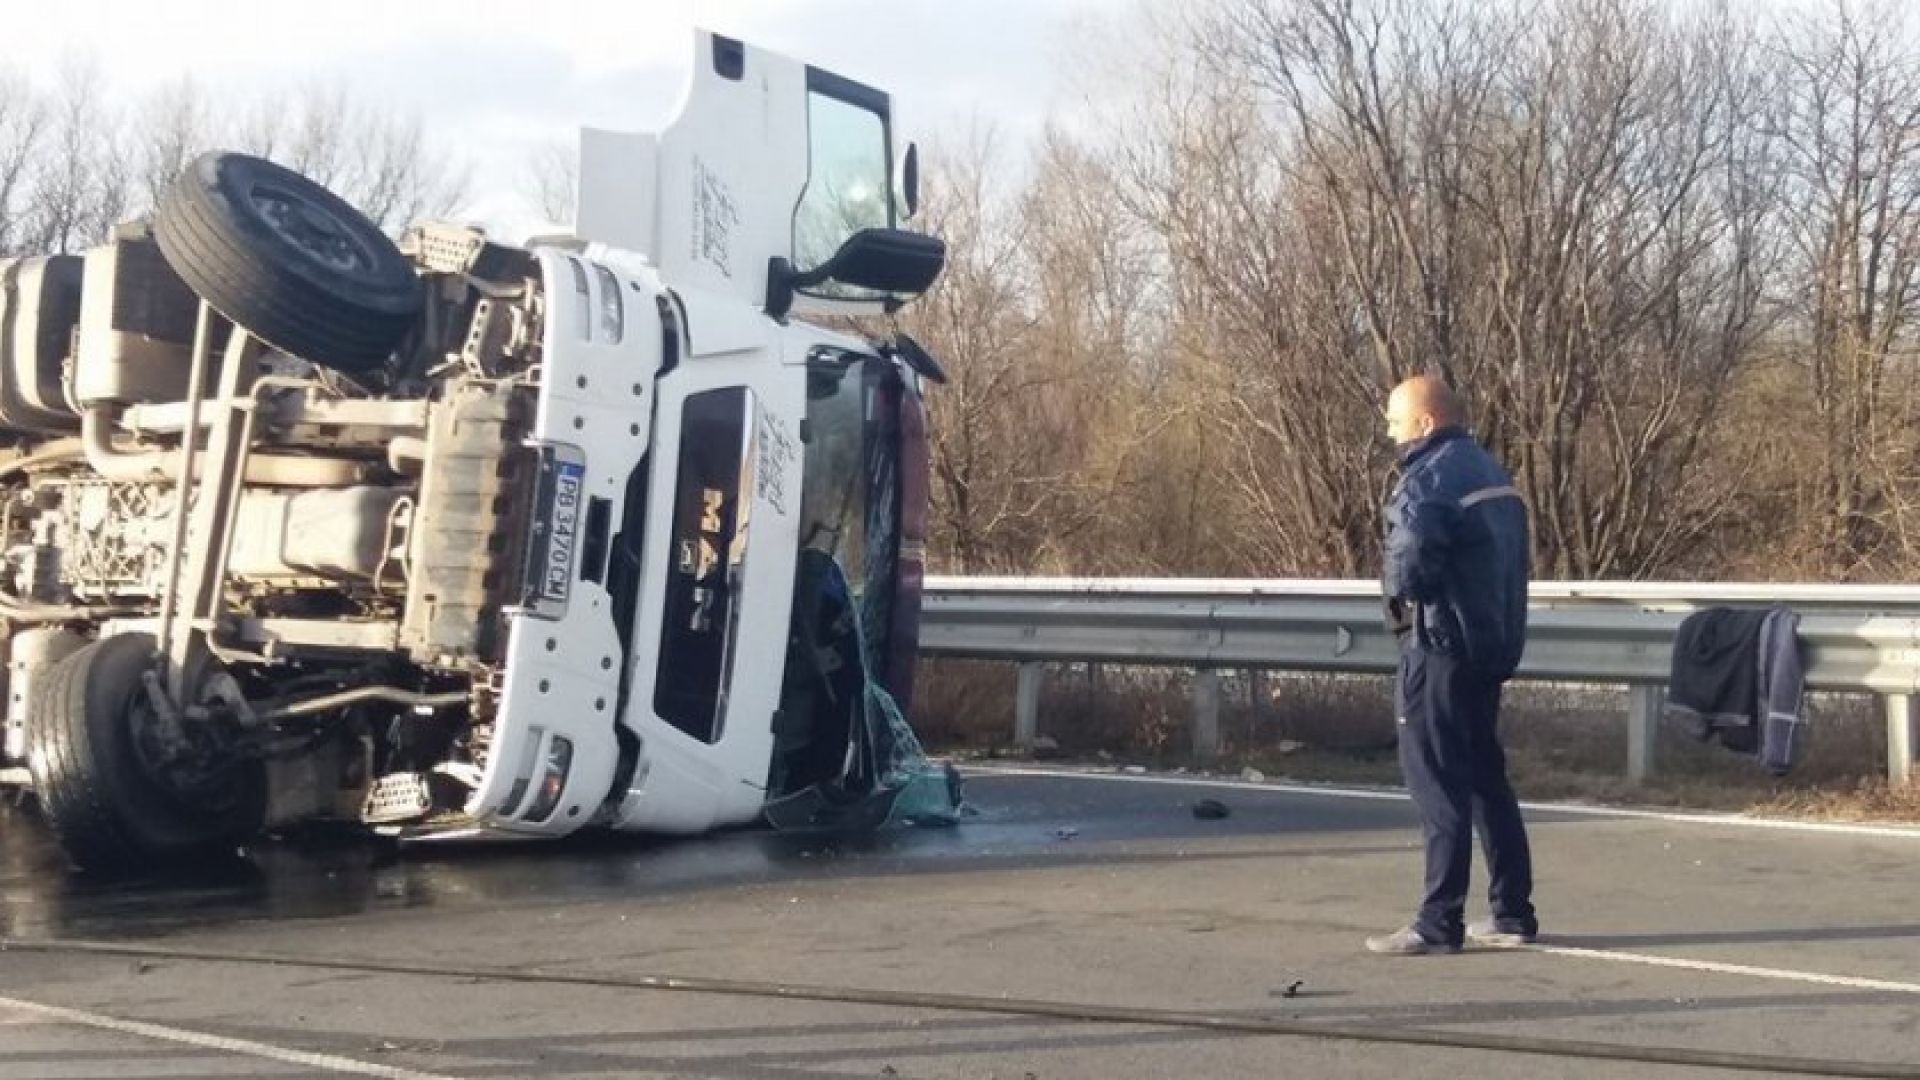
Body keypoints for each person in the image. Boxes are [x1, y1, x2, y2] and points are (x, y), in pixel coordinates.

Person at [1366, 375, 1538, 955]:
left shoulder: (1428, 479)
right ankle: (1513, 912)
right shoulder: (1493, 473)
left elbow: (1409, 563)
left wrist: (1400, 604)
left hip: (1439, 647)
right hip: (1489, 645)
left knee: (1436, 782)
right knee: (1487, 777)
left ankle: (1439, 920)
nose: (1390, 433)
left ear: (1426, 421)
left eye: (1396, 421)